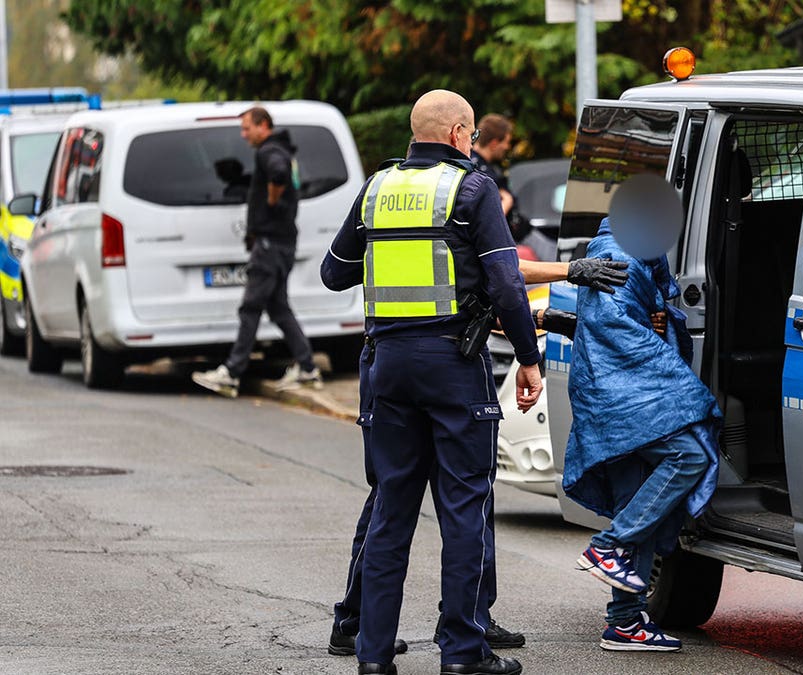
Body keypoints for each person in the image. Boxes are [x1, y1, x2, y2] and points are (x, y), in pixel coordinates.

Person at [321, 89, 541, 675]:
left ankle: (372, 656)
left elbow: (334, 273)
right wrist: (528, 356)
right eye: (469, 136)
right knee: (464, 505)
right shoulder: (472, 189)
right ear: (458, 134)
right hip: (451, 365)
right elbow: (505, 281)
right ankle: (463, 654)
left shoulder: (376, 189)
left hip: (386, 364)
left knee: (393, 507)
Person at [324, 255, 626, 660]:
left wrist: (537, 316)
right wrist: (567, 275)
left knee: (419, 498)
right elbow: (498, 271)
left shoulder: (399, 200)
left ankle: (460, 618)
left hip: (402, 360)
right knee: (436, 497)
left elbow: (467, 286)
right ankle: (366, 622)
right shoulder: (459, 193)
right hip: (437, 360)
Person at [564, 217, 721, 653]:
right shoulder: (621, 256)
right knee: (689, 456)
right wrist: (668, 369)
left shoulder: (633, 252)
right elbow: (613, 330)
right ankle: (606, 546)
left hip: (617, 395)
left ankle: (625, 623)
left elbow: (626, 317)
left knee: (637, 506)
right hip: (625, 397)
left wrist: (657, 319)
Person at [192, 106, 321, 398]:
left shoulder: (269, 151)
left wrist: (272, 202)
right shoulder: (283, 148)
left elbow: (278, 174)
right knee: (278, 308)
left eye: (247, 127)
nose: (243, 134)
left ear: (263, 126)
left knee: (250, 307)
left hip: (270, 243)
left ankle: (232, 373)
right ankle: (308, 368)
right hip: (282, 242)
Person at [471, 114, 556, 262]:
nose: (507, 147)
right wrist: (508, 201)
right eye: (506, 142)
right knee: (555, 261)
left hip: (519, 232)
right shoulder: (478, 170)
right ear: (494, 143)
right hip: (514, 237)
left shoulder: (481, 165)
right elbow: (487, 216)